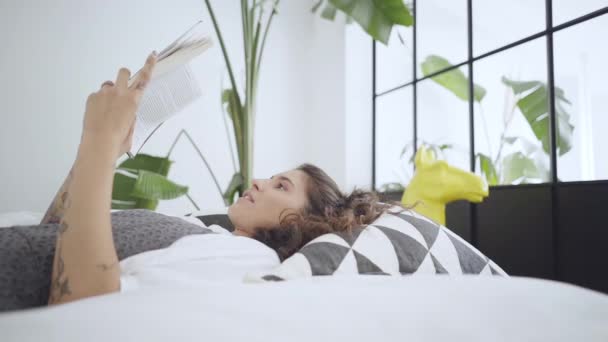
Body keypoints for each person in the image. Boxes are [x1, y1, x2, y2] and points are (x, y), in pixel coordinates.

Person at [40, 52, 393, 307]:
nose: (256, 181)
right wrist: (107, 150)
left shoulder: (248, 258)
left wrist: (98, 141)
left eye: (280, 185)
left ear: (308, 220)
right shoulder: (213, 237)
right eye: (271, 179)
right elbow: (53, 233)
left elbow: (87, 307)